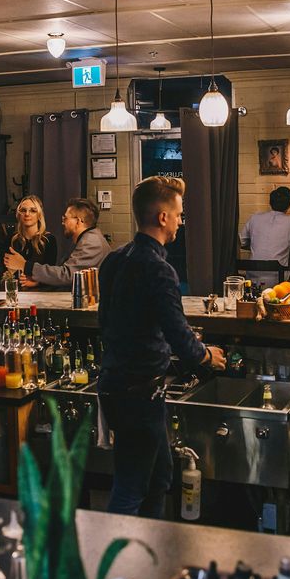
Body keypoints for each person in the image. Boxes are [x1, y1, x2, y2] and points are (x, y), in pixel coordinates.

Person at [97, 176, 226, 517]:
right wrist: (206, 356)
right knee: (131, 487)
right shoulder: (159, 269)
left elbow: (106, 321)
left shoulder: (114, 260)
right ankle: (114, 549)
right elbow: (178, 334)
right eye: (179, 215)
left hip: (115, 384)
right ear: (163, 217)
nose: (181, 222)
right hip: (138, 393)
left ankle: (149, 542)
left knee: (159, 477)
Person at [5, 197, 110, 289]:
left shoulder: (91, 242)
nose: (62, 222)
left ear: (78, 221)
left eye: (65, 218)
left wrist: (24, 265)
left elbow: (66, 275)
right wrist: (39, 281)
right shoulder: (86, 239)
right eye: (23, 210)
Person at [239, 186, 290, 289]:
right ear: (289, 205)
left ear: (270, 203)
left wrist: (256, 245)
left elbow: (241, 242)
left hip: (252, 276)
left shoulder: (254, 218)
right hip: (278, 278)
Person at [0, 195, 58, 283]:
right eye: (23, 210)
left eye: (33, 211)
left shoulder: (49, 240)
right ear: (18, 214)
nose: (27, 214)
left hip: (41, 290)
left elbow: (50, 274)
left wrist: (36, 283)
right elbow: (4, 273)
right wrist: (10, 273)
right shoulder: (11, 240)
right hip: (16, 288)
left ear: (39, 215)